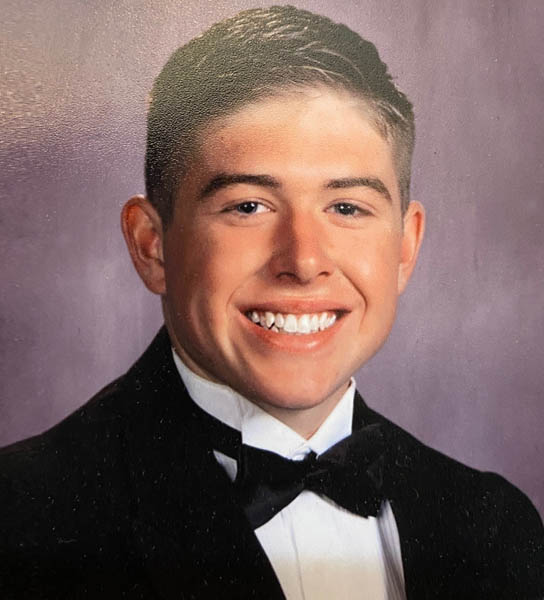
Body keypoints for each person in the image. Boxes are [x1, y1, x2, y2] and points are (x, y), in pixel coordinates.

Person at [1, 6, 542, 599]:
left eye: (346, 208)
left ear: (405, 248)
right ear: (152, 245)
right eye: (248, 207)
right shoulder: (22, 521)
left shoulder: (497, 526)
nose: (304, 262)